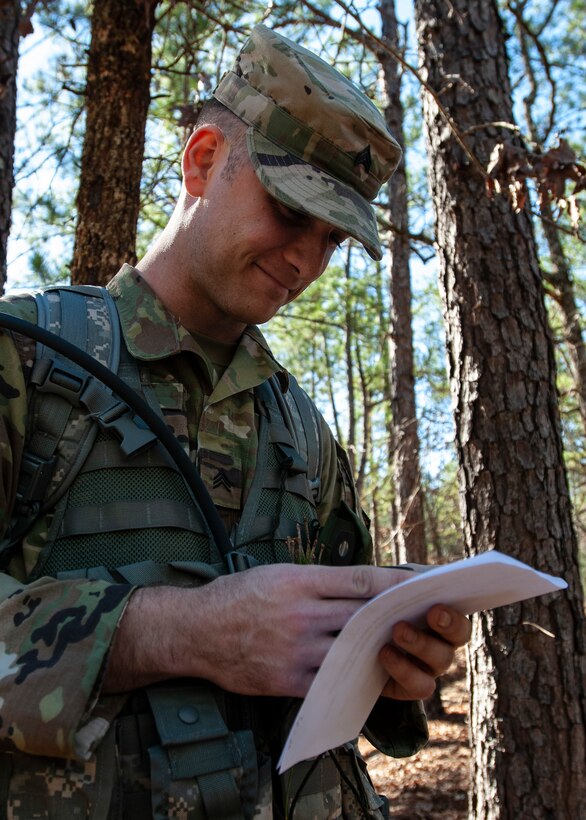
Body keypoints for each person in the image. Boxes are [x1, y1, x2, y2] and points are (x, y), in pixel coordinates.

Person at [0, 24, 471, 819]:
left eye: (331, 239)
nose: (306, 260)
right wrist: (172, 632)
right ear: (204, 159)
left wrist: (394, 661)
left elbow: (339, 681)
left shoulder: (302, 430)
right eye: (291, 212)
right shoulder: (27, 362)